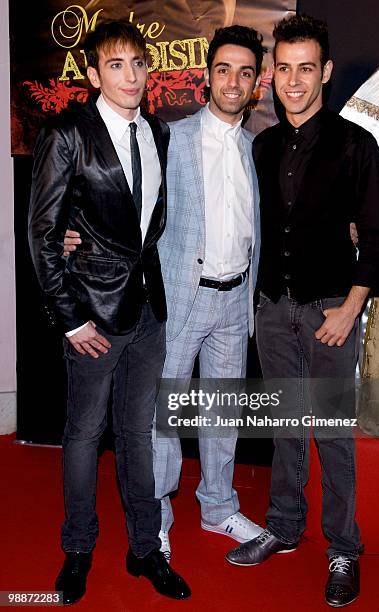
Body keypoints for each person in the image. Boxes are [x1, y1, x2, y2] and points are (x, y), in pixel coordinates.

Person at [64, 25, 266, 561]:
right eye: (223, 69)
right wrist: (73, 233)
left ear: (255, 85)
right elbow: (120, 202)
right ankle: (158, 519)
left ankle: (220, 506)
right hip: (179, 298)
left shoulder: (254, 148)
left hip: (234, 299)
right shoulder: (167, 136)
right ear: (206, 77)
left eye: (245, 72)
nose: (233, 81)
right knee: (163, 418)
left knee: (223, 414)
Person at [225, 14, 379, 609]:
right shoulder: (262, 146)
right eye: (284, 69)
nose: (293, 82)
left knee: (331, 437)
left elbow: (375, 240)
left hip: (328, 314)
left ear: (324, 72)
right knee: (284, 429)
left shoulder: (355, 146)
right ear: (273, 75)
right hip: (273, 311)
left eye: (306, 69)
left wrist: (348, 310)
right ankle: (285, 527)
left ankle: (344, 546)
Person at [28, 21, 190, 605]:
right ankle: (77, 549)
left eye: (138, 63)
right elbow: (43, 232)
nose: (130, 75)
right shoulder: (68, 133)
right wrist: (70, 317)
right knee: (82, 435)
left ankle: (146, 549)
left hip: (149, 310)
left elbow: (144, 226)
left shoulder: (158, 133)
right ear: (94, 75)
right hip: (91, 314)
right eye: (116, 65)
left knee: (138, 436)